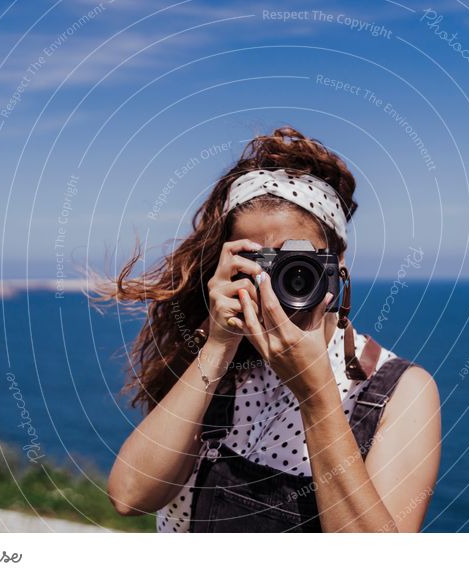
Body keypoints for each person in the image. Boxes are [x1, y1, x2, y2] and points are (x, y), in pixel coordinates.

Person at [91, 126, 441, 532]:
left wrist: (317, 397)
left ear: (338, 259)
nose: (277, 280)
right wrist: (219, 345)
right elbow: (129, 495)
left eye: (297, 262)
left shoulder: (392, 392)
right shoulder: (217, 358)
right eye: (257, 261)